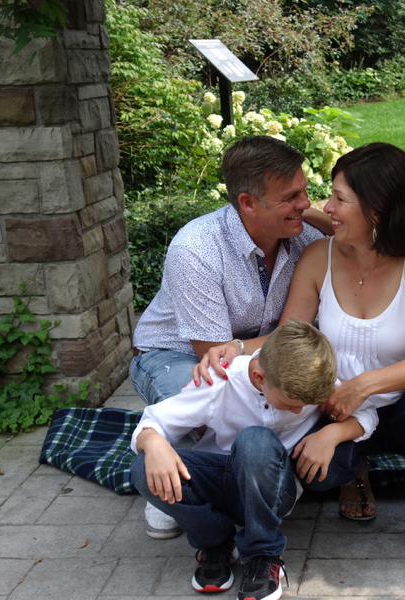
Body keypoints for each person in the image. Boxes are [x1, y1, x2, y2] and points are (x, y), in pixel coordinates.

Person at [195, 143, 405, 575]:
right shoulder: (318, 257)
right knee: (318, 473)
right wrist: (235, 348)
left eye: (339, 199)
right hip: (333, 412)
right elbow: (286, 337)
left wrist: (362, 387)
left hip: (401, 412)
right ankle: (355, 471)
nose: (326, 207)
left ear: (378, 211)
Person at [129, 135, 326, 539]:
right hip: (175, 352)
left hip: (252, 346)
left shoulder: (305, 236)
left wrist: (318, 217)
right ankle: (177, 476)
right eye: (291, 197)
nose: (305, 203)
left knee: (279, 396)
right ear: (248, 203)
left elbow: (358, 233)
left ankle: (242, 476)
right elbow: (216, 358)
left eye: (305, 191)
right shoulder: (196, 249)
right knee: (202, 393)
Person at [130, 319, 338, 600]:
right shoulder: (219, 381)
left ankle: (264, 554)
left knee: (255, 442)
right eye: (290, 404)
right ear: (260, 377)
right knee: (141, 468)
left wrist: (334, 433)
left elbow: (365, 411)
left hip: (275, 489)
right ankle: (216, 543)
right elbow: (155, 421)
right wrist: (153, 442)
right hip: (221, 480)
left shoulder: (314, 379)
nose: (299, 411)